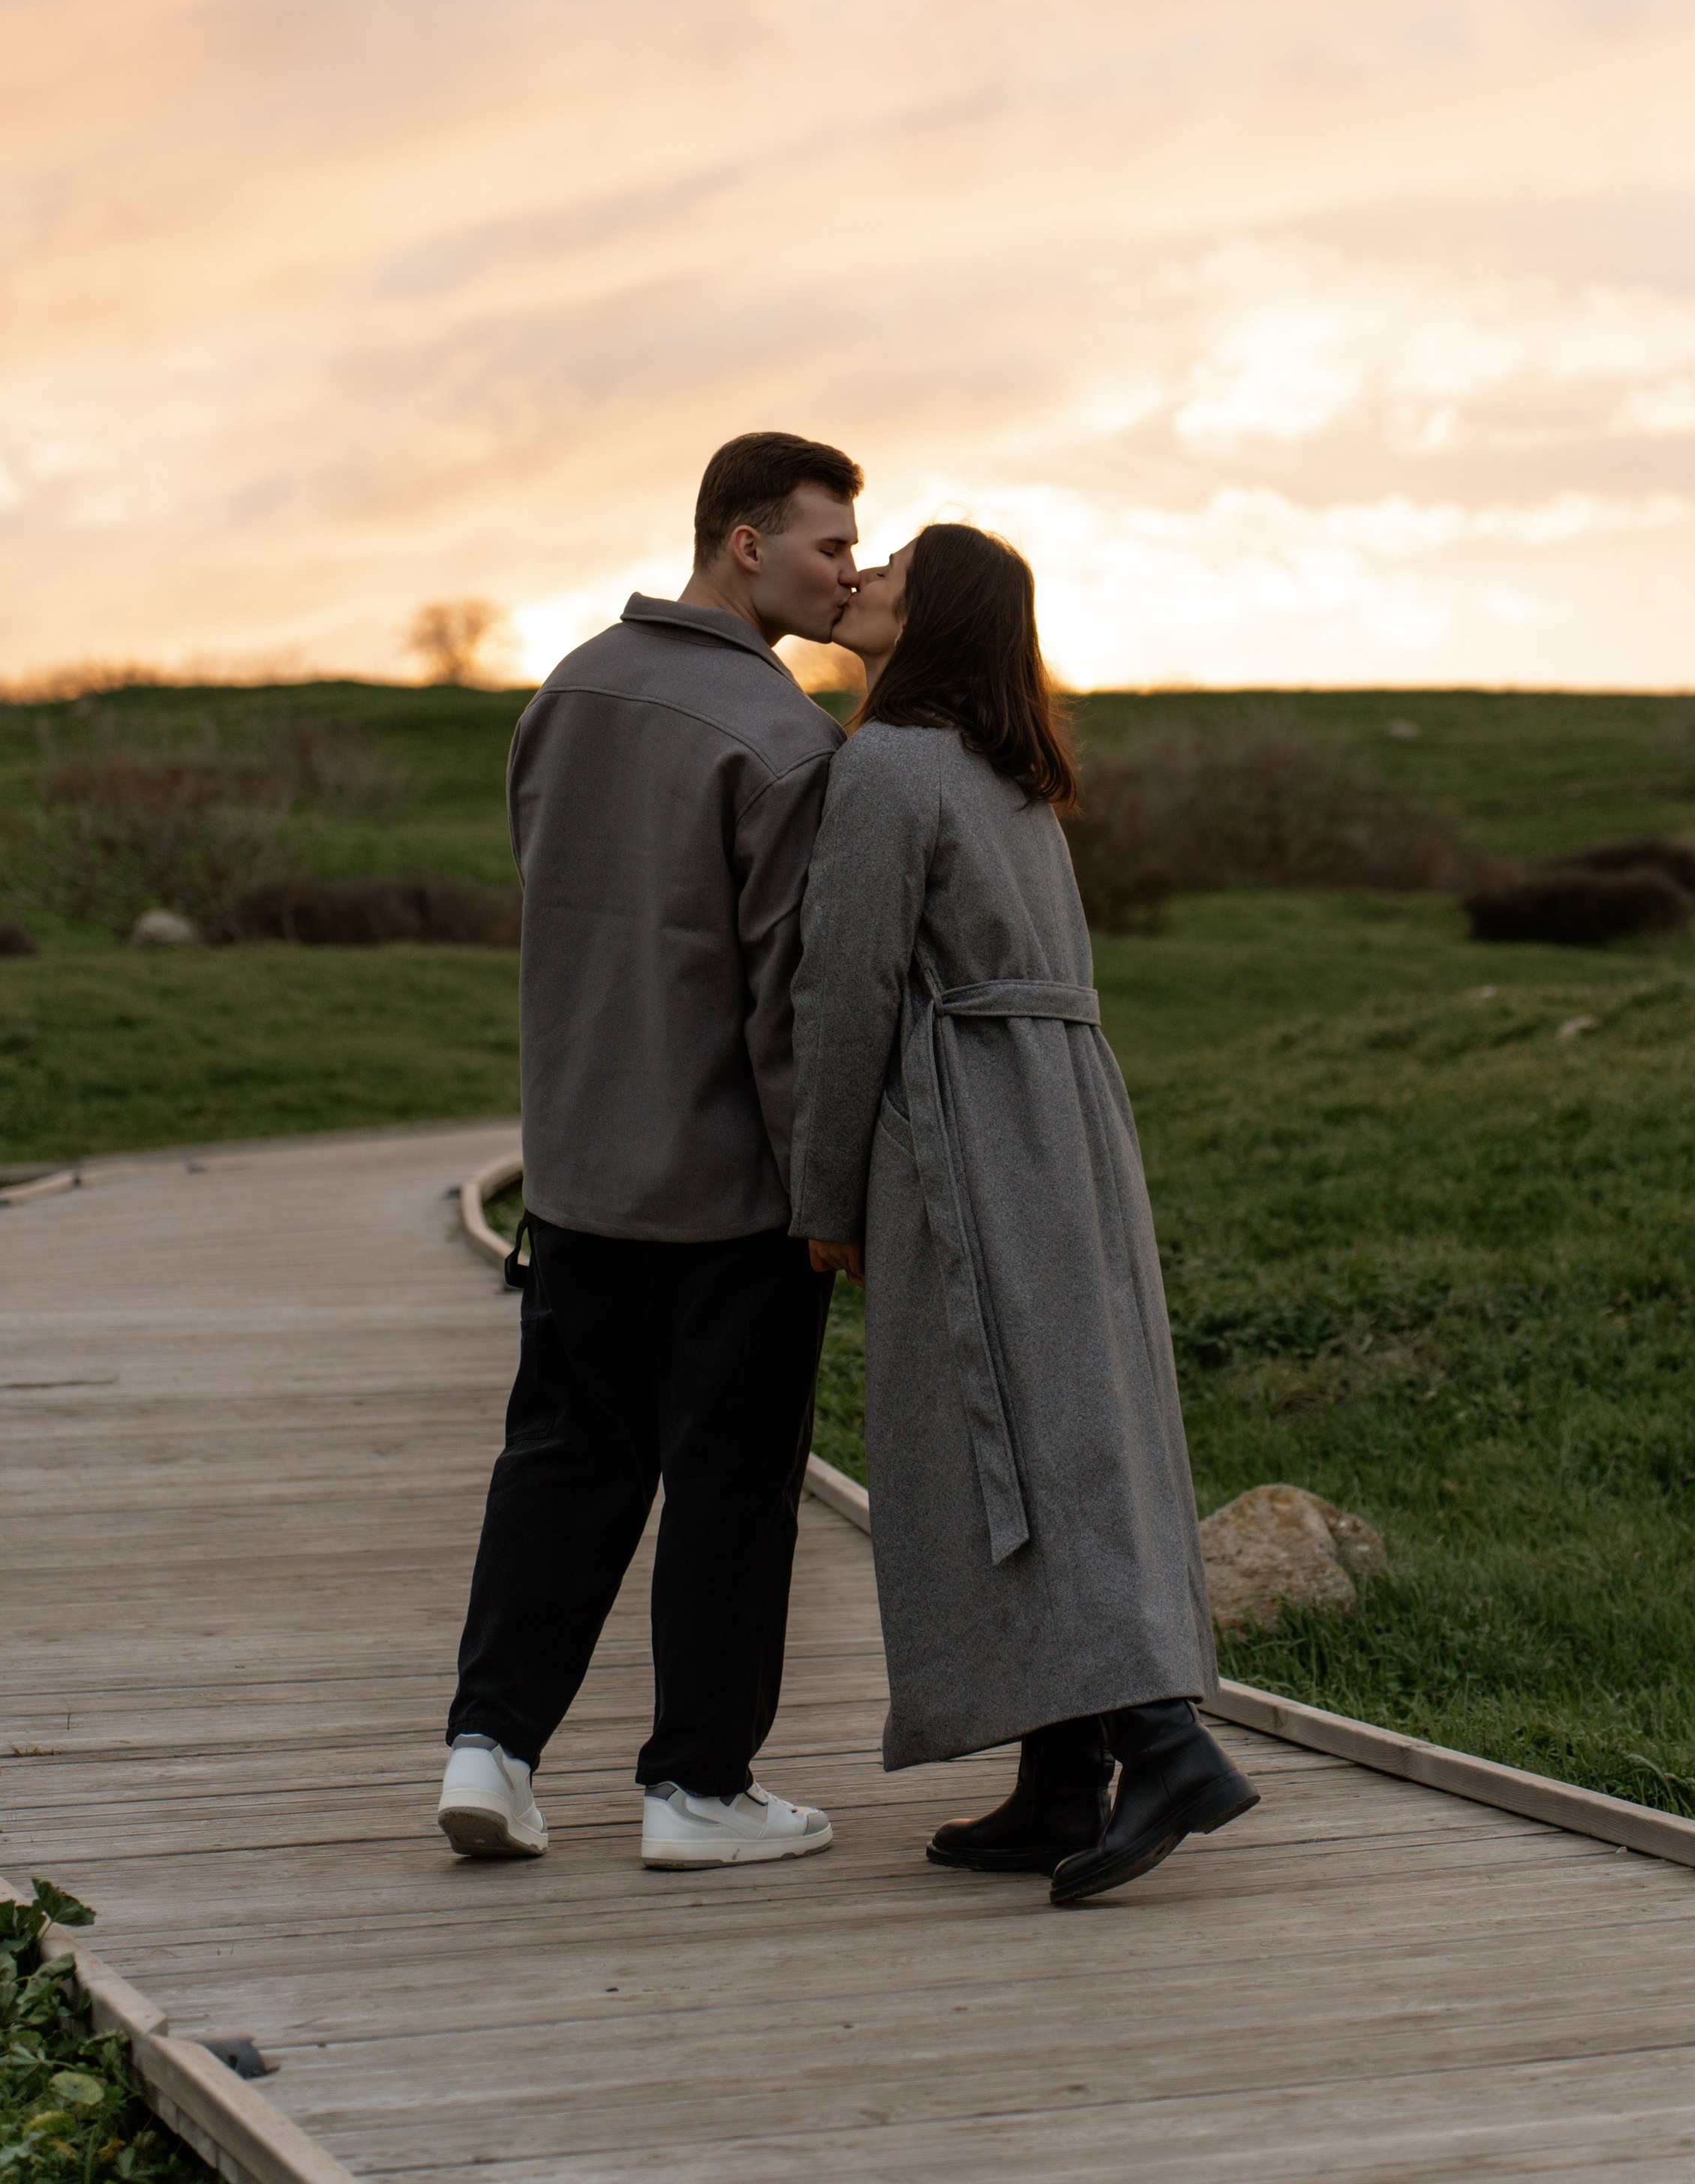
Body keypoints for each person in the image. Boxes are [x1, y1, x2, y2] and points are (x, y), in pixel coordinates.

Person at [788, 525, 1257, 1906]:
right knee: (1063, 1423)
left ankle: (1163, 1746)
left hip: (968, 1129)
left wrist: (824, 1194)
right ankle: (1063, 1782)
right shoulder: (1017, 781)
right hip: (1068, 1128)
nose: (862, 581)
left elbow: (848, 995)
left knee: (1014, 1436)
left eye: (894, 579)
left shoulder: (886, 765)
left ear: (931, 625)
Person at [437, 431, 862, 1871]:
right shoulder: (787, 739)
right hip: (730, 1193)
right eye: (829, 545)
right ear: (745, 542)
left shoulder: (565, 694)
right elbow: (788, 997)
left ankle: (489, 1750)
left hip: (573, 1174)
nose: (848, 574)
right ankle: (697, 1790)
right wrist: (829, 1193)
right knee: (731, 1487)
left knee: (562, 1460)